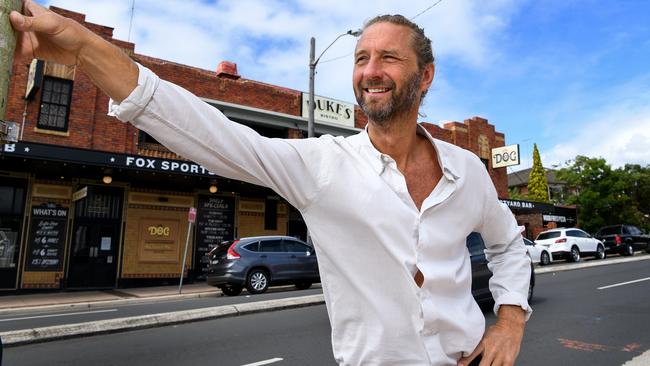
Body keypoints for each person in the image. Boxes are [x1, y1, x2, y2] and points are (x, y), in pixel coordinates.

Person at [9, 2, 532, 365]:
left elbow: (509, 245)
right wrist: (83, 48)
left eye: (388, 57)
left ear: (426, 75)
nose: (370, 71)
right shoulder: (322, 166)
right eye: (360, 58)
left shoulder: (467, 172)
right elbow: (209, 131)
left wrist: (509, 323)